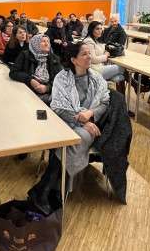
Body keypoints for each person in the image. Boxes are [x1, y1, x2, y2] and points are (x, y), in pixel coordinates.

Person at [28, 42, 109, 212]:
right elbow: (58, 108)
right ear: (73, 59)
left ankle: (46, 189)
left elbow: (105, 102)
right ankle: (54, 188)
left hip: (90, 122)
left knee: (76, 140)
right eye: (84, 54)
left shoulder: (96, 78)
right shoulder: (62, 78)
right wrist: (83, 121)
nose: (89, 57)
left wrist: (90, 113)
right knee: (65, 140)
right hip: (64, 119)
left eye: (90, 53)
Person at [9, 34, 63, 103]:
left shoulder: (54, 58)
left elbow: (61, 80)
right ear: (35, 43)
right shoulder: (25, 55)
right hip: (27, 91)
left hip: (47, 94)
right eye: (43, 41)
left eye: (48, 41)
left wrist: (47, 88)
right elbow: (13, 72)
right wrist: (30, 80)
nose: (47, 44)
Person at [83, 21, 125, 93]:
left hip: (99, 67)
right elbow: (93, 59)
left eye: (101, 29)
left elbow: (102, 49)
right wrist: (105, 56)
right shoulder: (89, 42)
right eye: (97, 29)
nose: (100, 31)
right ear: (91, 30)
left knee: (118, 77)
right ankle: (134, 85)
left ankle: (118, 94)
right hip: (94, 70)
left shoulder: (95, 40)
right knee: (122, 68)